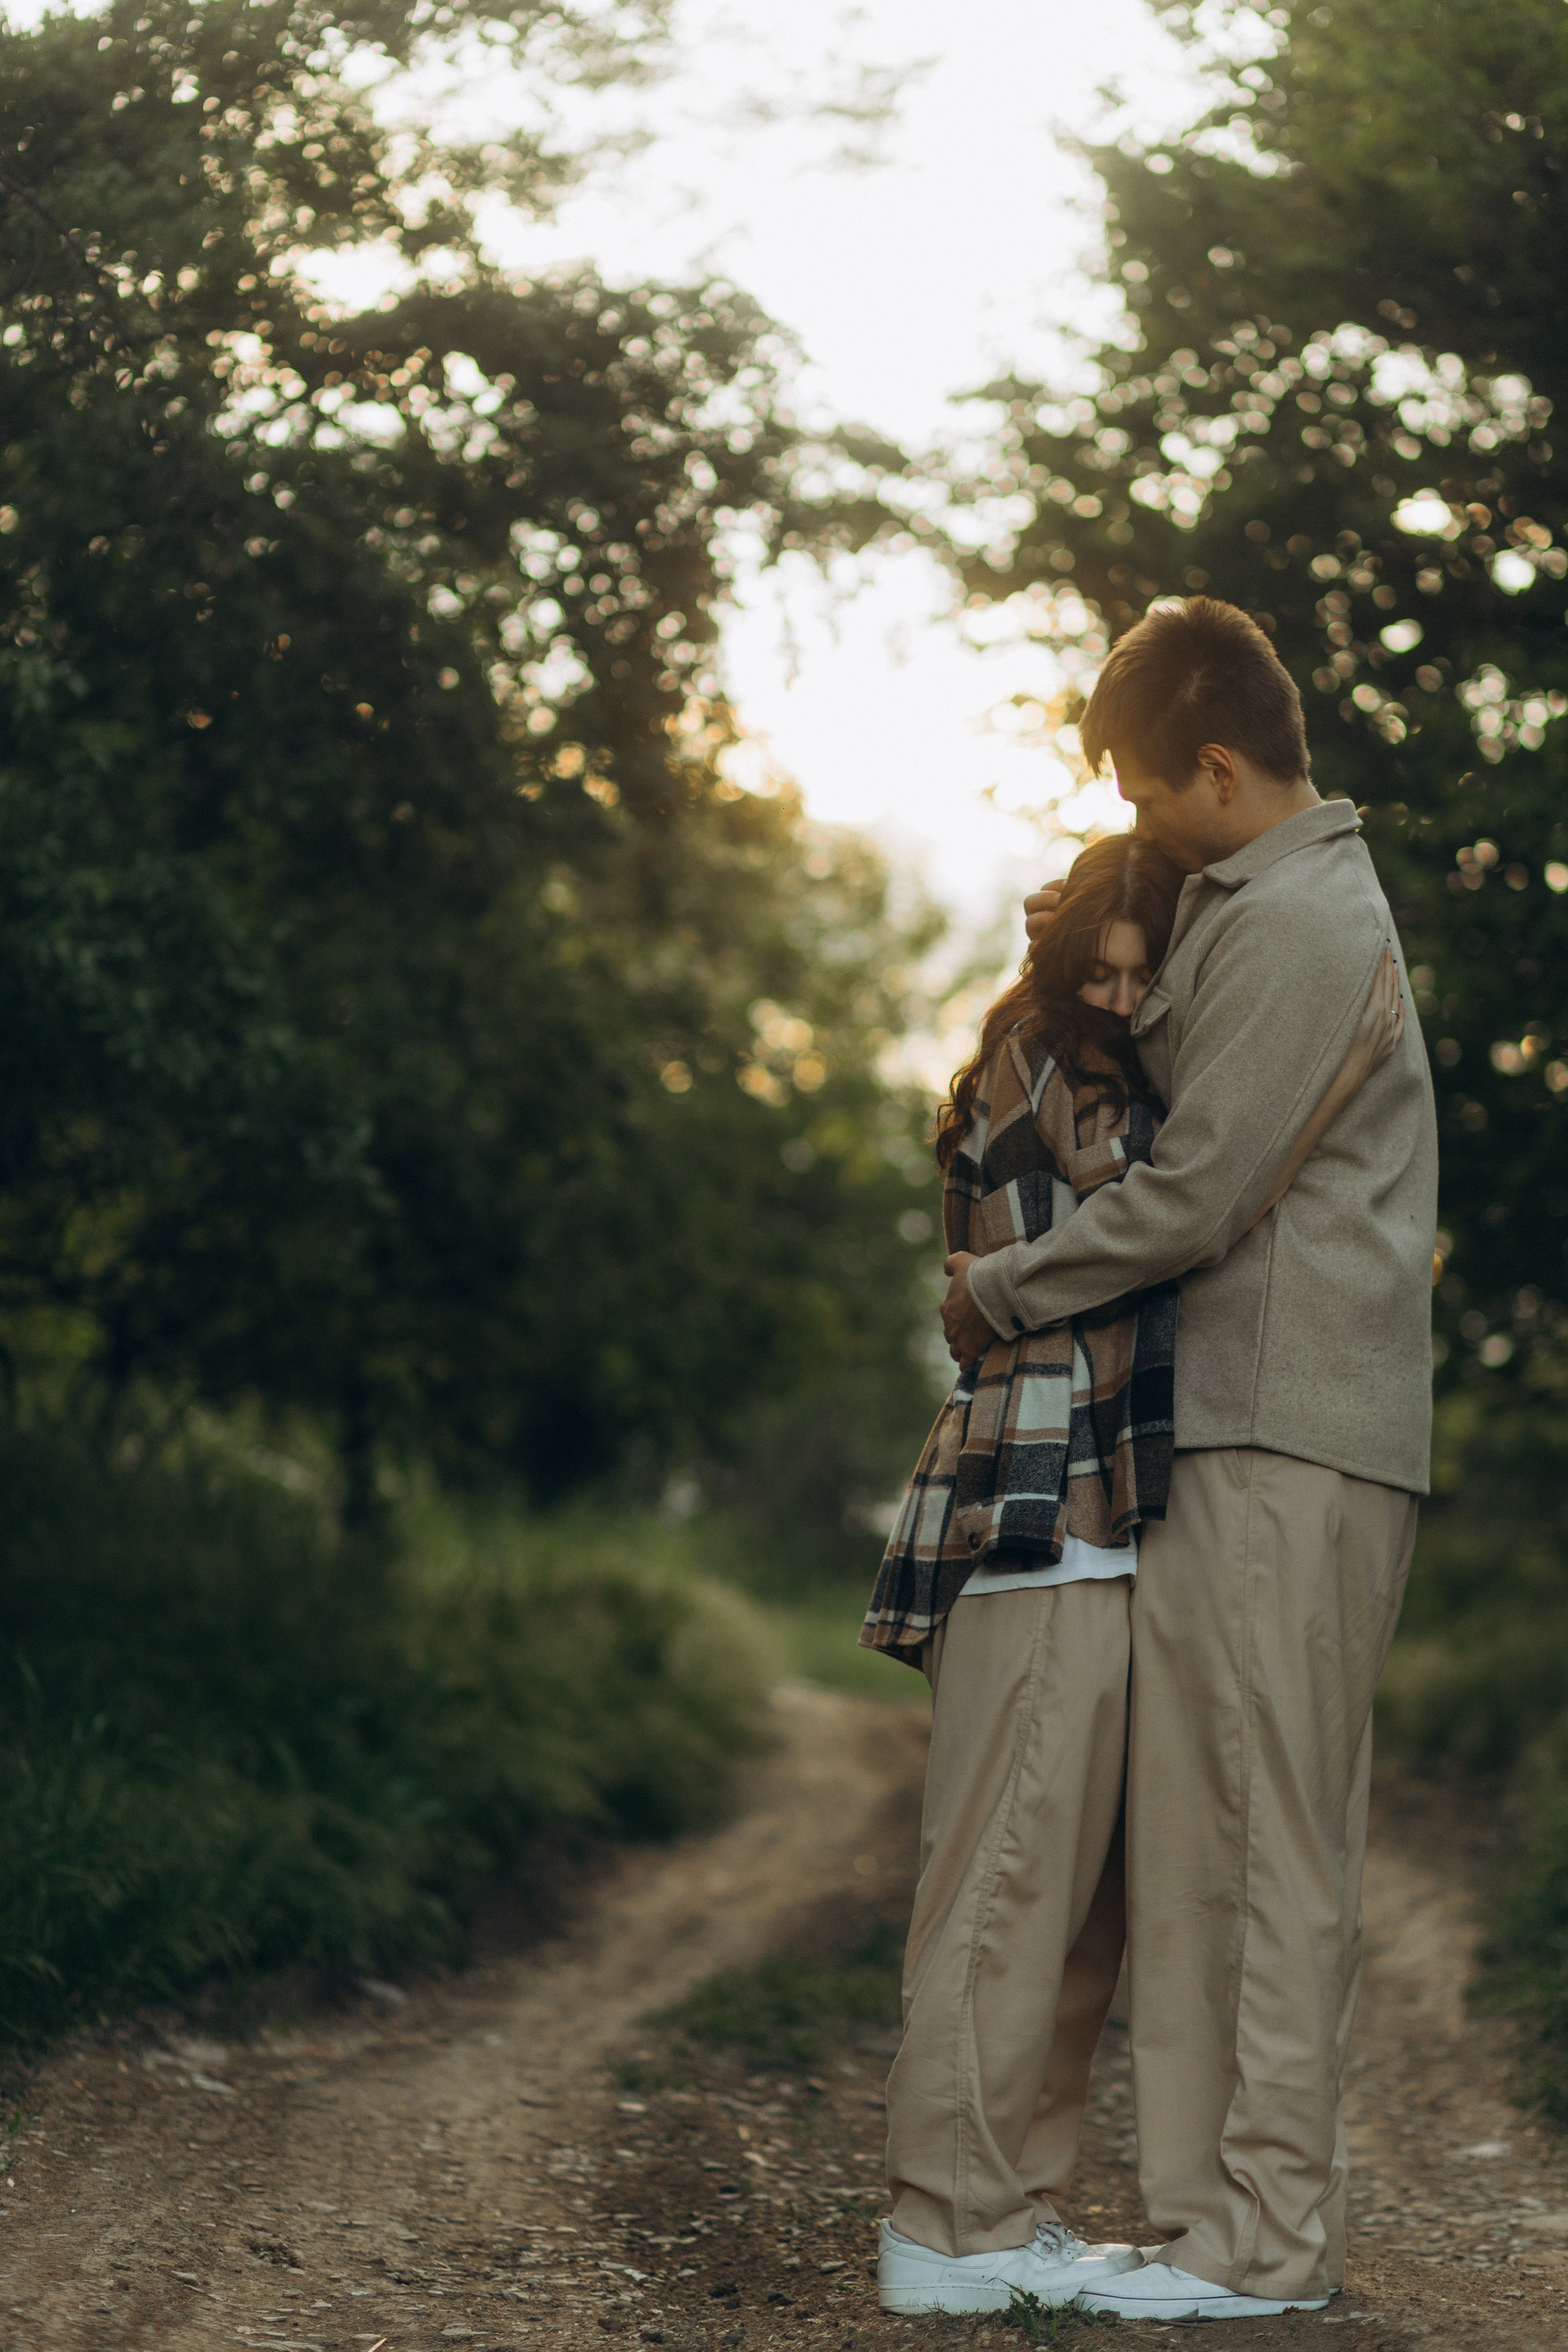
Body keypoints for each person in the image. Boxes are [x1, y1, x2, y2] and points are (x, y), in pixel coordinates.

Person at [937, 597, 1438, 2324]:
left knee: (1272, 1836)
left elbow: (1200, 1194)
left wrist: (999, 1287)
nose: (1142, 829)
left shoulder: (1306, 918)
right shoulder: (1255, 900)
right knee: (1208, 1839)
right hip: (1231, 1427)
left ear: (1218, 765)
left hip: (1291, 1428)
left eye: (1153, 795)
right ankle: (1213, 2223)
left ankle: (1265, 2247)